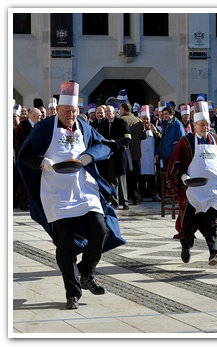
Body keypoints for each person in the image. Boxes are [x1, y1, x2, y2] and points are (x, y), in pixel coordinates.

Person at [16, 80, 126, 309]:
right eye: (67, 112)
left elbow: (103, 145)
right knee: (65, 243)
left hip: (83, 188)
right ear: (58, 111)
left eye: (74, 112)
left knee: (101, 228)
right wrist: (43, 163)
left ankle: (86, 271)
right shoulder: (45, 128)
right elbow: (24, 154)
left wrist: (91, 156)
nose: (71, 116)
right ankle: (72, 292)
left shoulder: (84, 127)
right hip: (56, 192)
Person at [166, 100, 217, 266]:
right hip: (193, 189)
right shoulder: (185, 142)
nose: (205, 128)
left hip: (213, 188)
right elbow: (176, 163)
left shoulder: (216, 140)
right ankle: (186, 244)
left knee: (212, 217)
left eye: (207, 124)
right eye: (201, 125)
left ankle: (214, 250)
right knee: (189, 223)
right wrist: (183, 178)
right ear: (194, 125)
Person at [97, 105, 132, 210]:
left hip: (119, 154)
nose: (107, 113)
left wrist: (116, 142)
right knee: (112, 179)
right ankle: (114, 201)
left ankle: (125, 201)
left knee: (121, 179)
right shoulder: (104, 124)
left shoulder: (121, 123)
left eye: (109, 111)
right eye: (106, 111)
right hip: (109, 156)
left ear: (114, 112)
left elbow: (128, 137)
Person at [14, 107, 43, 210]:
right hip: (25, 160)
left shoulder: (39, 127)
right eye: (39, 116)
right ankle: (24, 202)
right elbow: (17, 144)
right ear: (33, 116)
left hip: (37, 161)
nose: (41, 118)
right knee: (23, 182)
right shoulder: (21, 127)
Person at [119, 101, 146, 205]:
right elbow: (143, 137)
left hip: (124, 153)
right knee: (135, 178)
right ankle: (135, 197)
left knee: (125, 177)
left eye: (120, 109)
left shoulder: (120, 120)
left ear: (124, 110)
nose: (119, 111)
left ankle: (125, 198)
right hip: (136, 154)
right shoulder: (138, 120)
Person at [139, 105, 162, 201]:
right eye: (144, 119)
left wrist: (156, 132)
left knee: (153, 176)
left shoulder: (154, 128)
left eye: (147, 119)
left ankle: (154, 193)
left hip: (151, 156)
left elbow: (160, 139)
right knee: (141, 177)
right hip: (141, 156)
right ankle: (141, 193)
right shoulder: (138, 128)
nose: (145, 121)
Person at [155, 105, 185, 170]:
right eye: (163, 114)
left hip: (173, 156)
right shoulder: (165, 124)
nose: (164, 116)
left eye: (166, 114)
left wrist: (175, 153)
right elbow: (163, 140)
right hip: (165, 155)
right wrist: (158, 153)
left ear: (172, 113)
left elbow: (181, 141)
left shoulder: (178, 125)